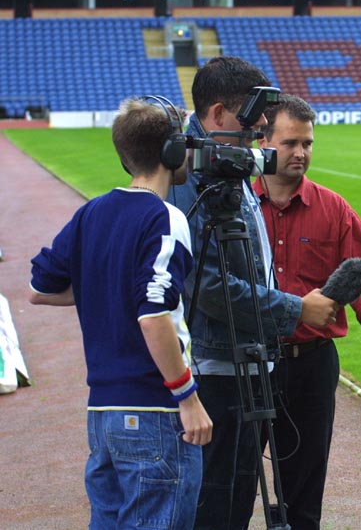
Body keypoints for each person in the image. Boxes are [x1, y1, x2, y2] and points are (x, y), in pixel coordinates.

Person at [169, 57, 339, 530]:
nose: (262, 125)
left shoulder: (226, 159)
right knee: (218, 505)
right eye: (254, 116)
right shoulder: (189, 174)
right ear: (220, 113)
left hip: (245, 363)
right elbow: (207, 287)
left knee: (238, 498)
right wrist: (296, 308)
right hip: (218, 371)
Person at [28, 97, 213, 529]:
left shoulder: (91, 212)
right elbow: (154, 316)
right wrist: (187, 398)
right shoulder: (165, 217)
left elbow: (39, 288)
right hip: (156, 413)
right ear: (171, 152)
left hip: (103, 417)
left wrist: (103, 286)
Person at [253, 94, 361, 530]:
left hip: (310, 366)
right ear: (261, 140)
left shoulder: (333, 208)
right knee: (235, 480)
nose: (301, 153)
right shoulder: (234, 205)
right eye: (291, 142)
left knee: (305, 485)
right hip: (246, 365)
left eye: (308, 144)